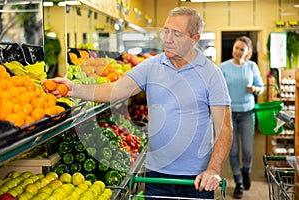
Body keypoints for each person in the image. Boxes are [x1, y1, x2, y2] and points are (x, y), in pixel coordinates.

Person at [48, 7, 233, 199]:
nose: (167, 39)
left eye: (176, 34)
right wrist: (73, 89)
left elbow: (224, 128)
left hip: (197, 179)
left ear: (195, 39)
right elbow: (114, 90)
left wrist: (213, 169)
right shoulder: (151, 66)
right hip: (156, 177)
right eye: (166, 31)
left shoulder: (212, 74)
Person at [219, 36, 264, 199]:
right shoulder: (223, 67)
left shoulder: (252, 67)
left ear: (248, 52)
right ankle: (238, 181)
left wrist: (255, 89)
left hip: (247, 113)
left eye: (242, 49)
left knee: (247, 150)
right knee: (233, 151)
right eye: (236, 48)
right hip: (229, 114)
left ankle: (246, 171)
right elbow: (218, 89)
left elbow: (261, 87)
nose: (238, 51)